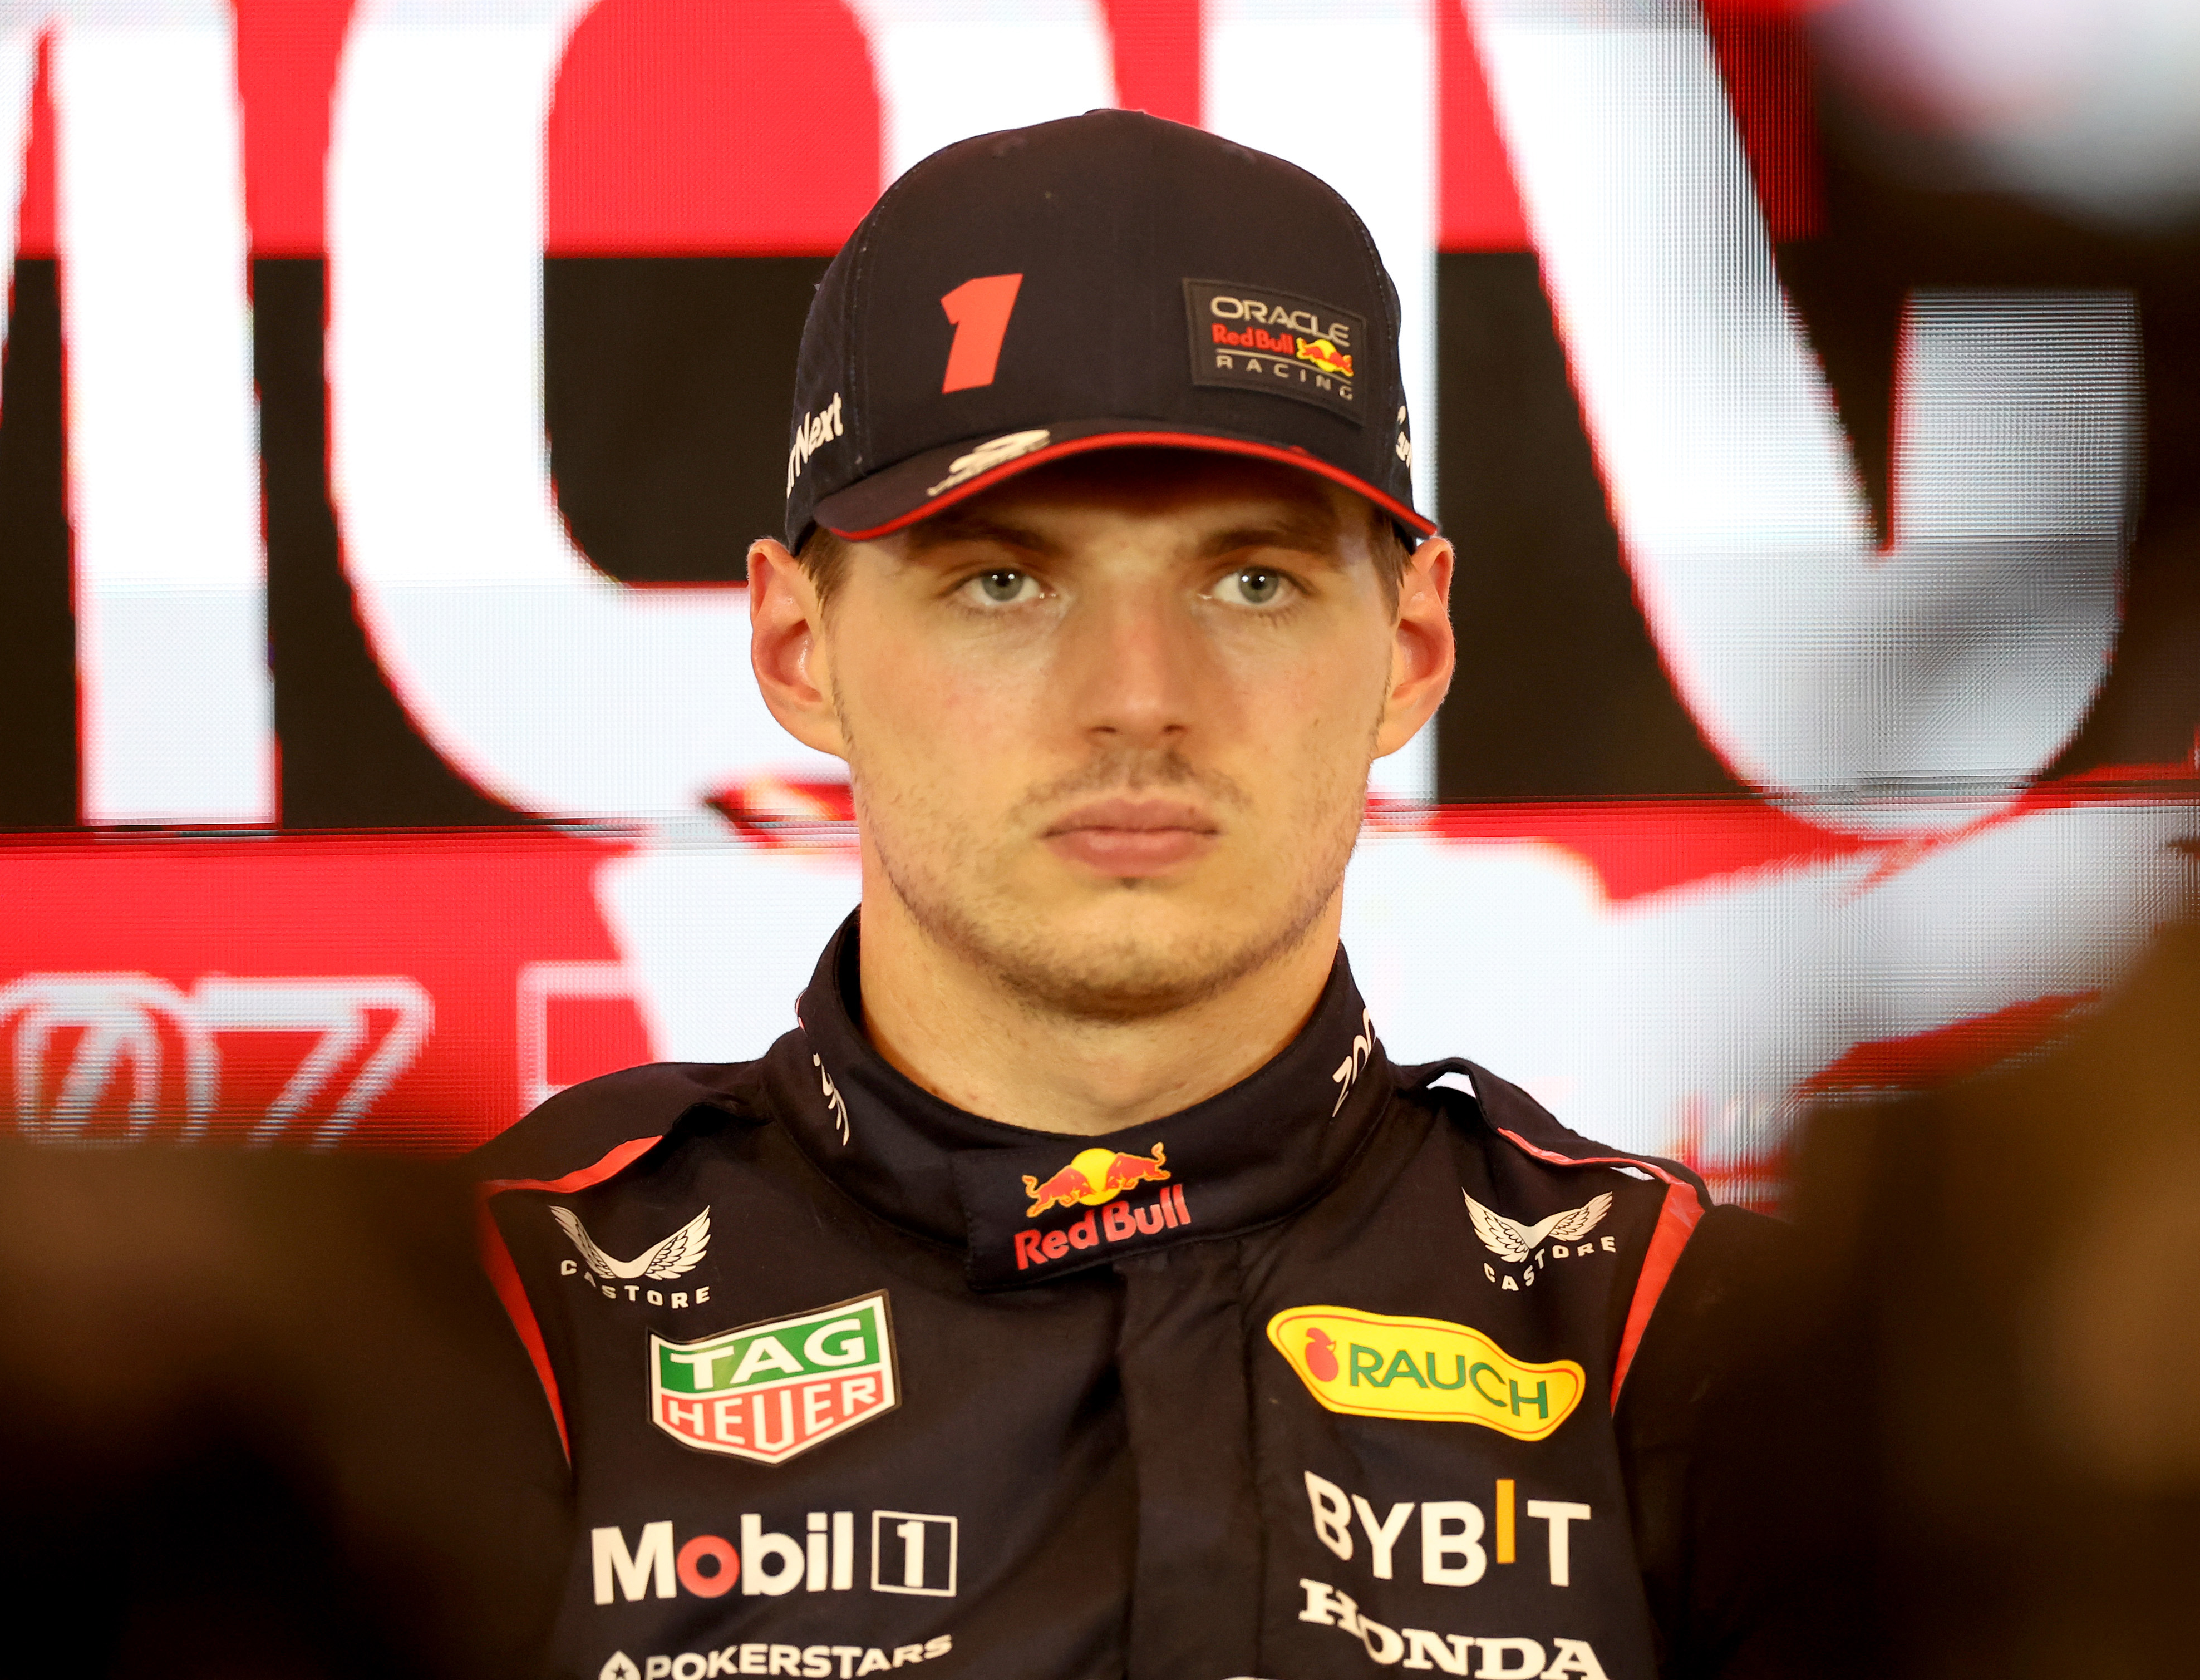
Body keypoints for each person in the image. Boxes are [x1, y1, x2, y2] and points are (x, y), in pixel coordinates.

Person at [475, 110, 1790, 1680]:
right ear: (796, 646)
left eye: (1252, 579)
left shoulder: (1673, 1337)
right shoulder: (518, 1314)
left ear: (1413, 645)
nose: (1137, 699)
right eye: (1003, 580)